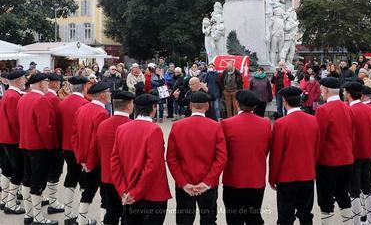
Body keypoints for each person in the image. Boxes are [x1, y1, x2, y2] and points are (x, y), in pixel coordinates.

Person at [167, 92, 227, 225]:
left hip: (185, 182)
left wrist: (183, 182)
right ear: (207, 106)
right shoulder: (215, 126)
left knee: (184, 220)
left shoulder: (177, 126)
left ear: (190, 106)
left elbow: (171, 158)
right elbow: (221, 157)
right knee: (209, 220)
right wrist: (208, 182)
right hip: (208, 183)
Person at [111, 94, 171, 224]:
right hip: (152, 193)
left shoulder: (121, 129)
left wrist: (123, 191)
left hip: (128, 191)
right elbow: (153, 165)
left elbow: (115, 163)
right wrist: (135, 193)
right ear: (153, 108)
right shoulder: (154, 129)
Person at [269, 86, 320, 225]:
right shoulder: (313, 120)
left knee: (285, 215)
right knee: (305, 214)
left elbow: (276, 154)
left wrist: (272, 177)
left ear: (284, 101)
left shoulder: (280, 123)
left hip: (287, 177)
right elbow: (316, 149)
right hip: (307, 174)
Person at [221, 90, 272, 224]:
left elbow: (223, 152)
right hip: (256, 179)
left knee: (233, 219)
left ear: (237, 103)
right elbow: (265, 150)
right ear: (254, 106)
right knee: (254, 217)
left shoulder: (226, 124)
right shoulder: (265, 123)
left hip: (233, 179)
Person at [86, 91, 134, 225]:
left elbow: (94, 147)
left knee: (111, 210)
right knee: (127, 213)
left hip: (107, 175)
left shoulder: (103, 124)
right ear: (129, 106)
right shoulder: (132, 125)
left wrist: (90, 165)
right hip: (127, 179)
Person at [18, 73, 58, 225]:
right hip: (38, 147)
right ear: (42, 84)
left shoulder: (23, 98)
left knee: (27, 180)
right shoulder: (41, 99)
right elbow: (44, 127)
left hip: (25, 145)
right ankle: (38, 218)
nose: (48, 85)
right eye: (47, 82)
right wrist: (50, 146)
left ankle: (29, 215)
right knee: (37, 183)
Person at [315, 77, 354, 224]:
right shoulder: (348, 107)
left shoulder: (323, 110)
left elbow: (320, 139)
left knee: (325, 199)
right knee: (343, 195)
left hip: (328, 162)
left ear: (325, 90)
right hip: (347, 159)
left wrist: (314, 160)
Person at [72, 82, 110, 225]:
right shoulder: (102, 113)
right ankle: (103, 221)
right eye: (108, 92)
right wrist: (90, 162)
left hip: (84, 159)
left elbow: (74, 136)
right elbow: (97, 141)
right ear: (101, 95)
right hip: (97, 161)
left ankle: (81, 220)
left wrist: (81, 158)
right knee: (105, 194)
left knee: (87, 191)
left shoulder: (82, 108)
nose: (110, 94)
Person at [343, 81, 371, 225]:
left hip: (355, 153)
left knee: (354, 190)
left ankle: (356, 221)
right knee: (367, 187)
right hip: (368, 152)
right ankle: (370, 220)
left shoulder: (349, 110)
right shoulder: (370, 109)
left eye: (346, 92)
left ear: (349, 94)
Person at [59, 76, 89, 225]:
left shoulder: (63, 103)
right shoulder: (85, 104)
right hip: (81, 148)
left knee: (70, 177)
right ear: (84, 87)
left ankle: (68, 214)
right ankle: (81, 217)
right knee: (84, 181)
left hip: (66, 146)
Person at [0, 70, 26, 215]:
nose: (25, 81)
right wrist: (22, 138)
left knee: (8, 169)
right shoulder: (13, 96)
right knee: (18, 170)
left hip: (6, 137)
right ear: (17, 81)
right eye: (23, 79)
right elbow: (15, 122)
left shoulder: (9, 94)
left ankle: (5, 199)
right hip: (12, 139)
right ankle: (9, 202)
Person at [45, 73, 65, 214]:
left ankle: (46, 197)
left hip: (46, 141)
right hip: (54, 141)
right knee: (54, 172)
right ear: (53, 83)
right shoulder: (53, 98)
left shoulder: (46, 96)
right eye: (58, 82)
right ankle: (53, 201)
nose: (60, 85)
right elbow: (58, 122)